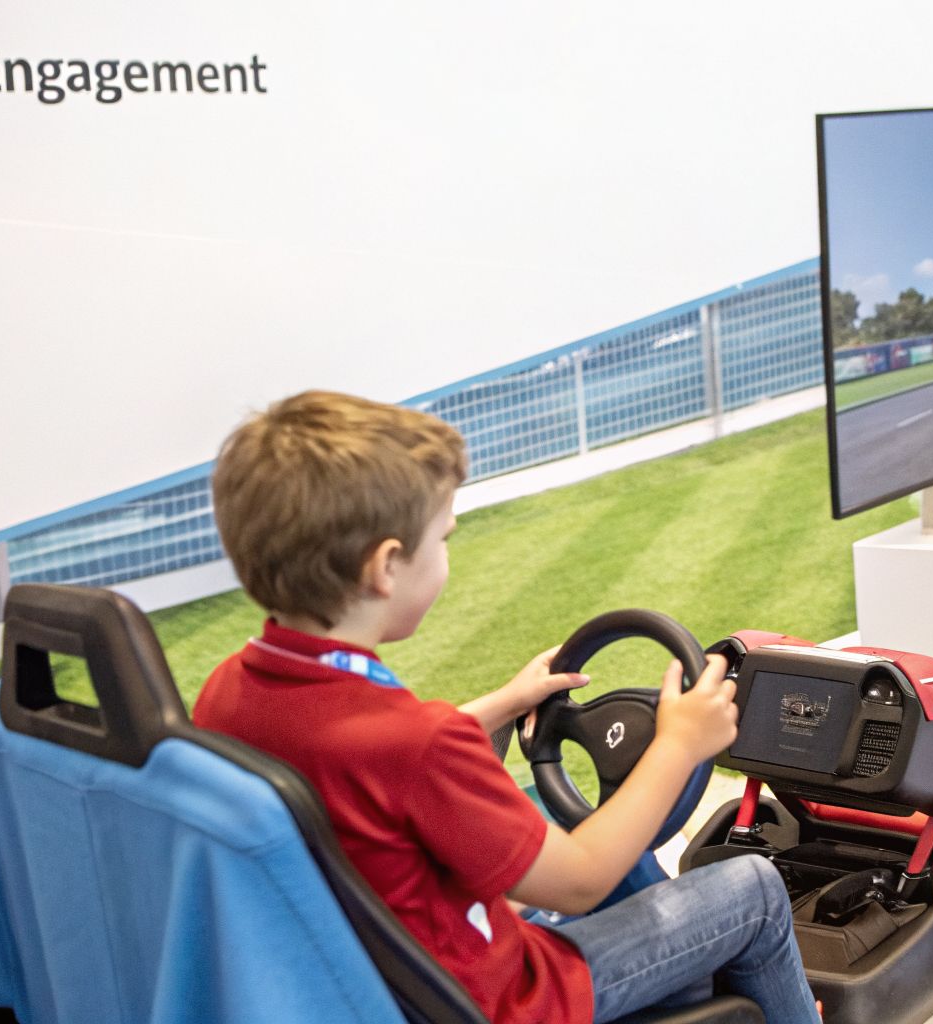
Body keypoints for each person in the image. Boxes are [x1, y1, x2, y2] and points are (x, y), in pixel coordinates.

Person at [191, 390, 819, 1024]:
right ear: (385, 567)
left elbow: (369, 767)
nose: (445, 555)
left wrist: (506, 703)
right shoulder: (419, 743)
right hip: (504, 998)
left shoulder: (230, 693)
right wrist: (677, 743)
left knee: (630, 857)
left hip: (391, 982)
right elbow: (580, 879)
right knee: (755, 890)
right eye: (442, 537)